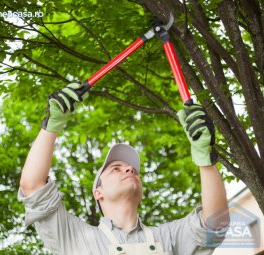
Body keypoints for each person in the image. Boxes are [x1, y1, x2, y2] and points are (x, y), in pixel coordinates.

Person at [18, 83, 230, 255]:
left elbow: (215, 224)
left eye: (133, 170)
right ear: (97, 192)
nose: (129, 170)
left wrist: (205, 159)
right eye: (116, 169)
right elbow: (33, 186)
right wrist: (52, 125)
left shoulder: (168, 237)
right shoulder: (75, 237)